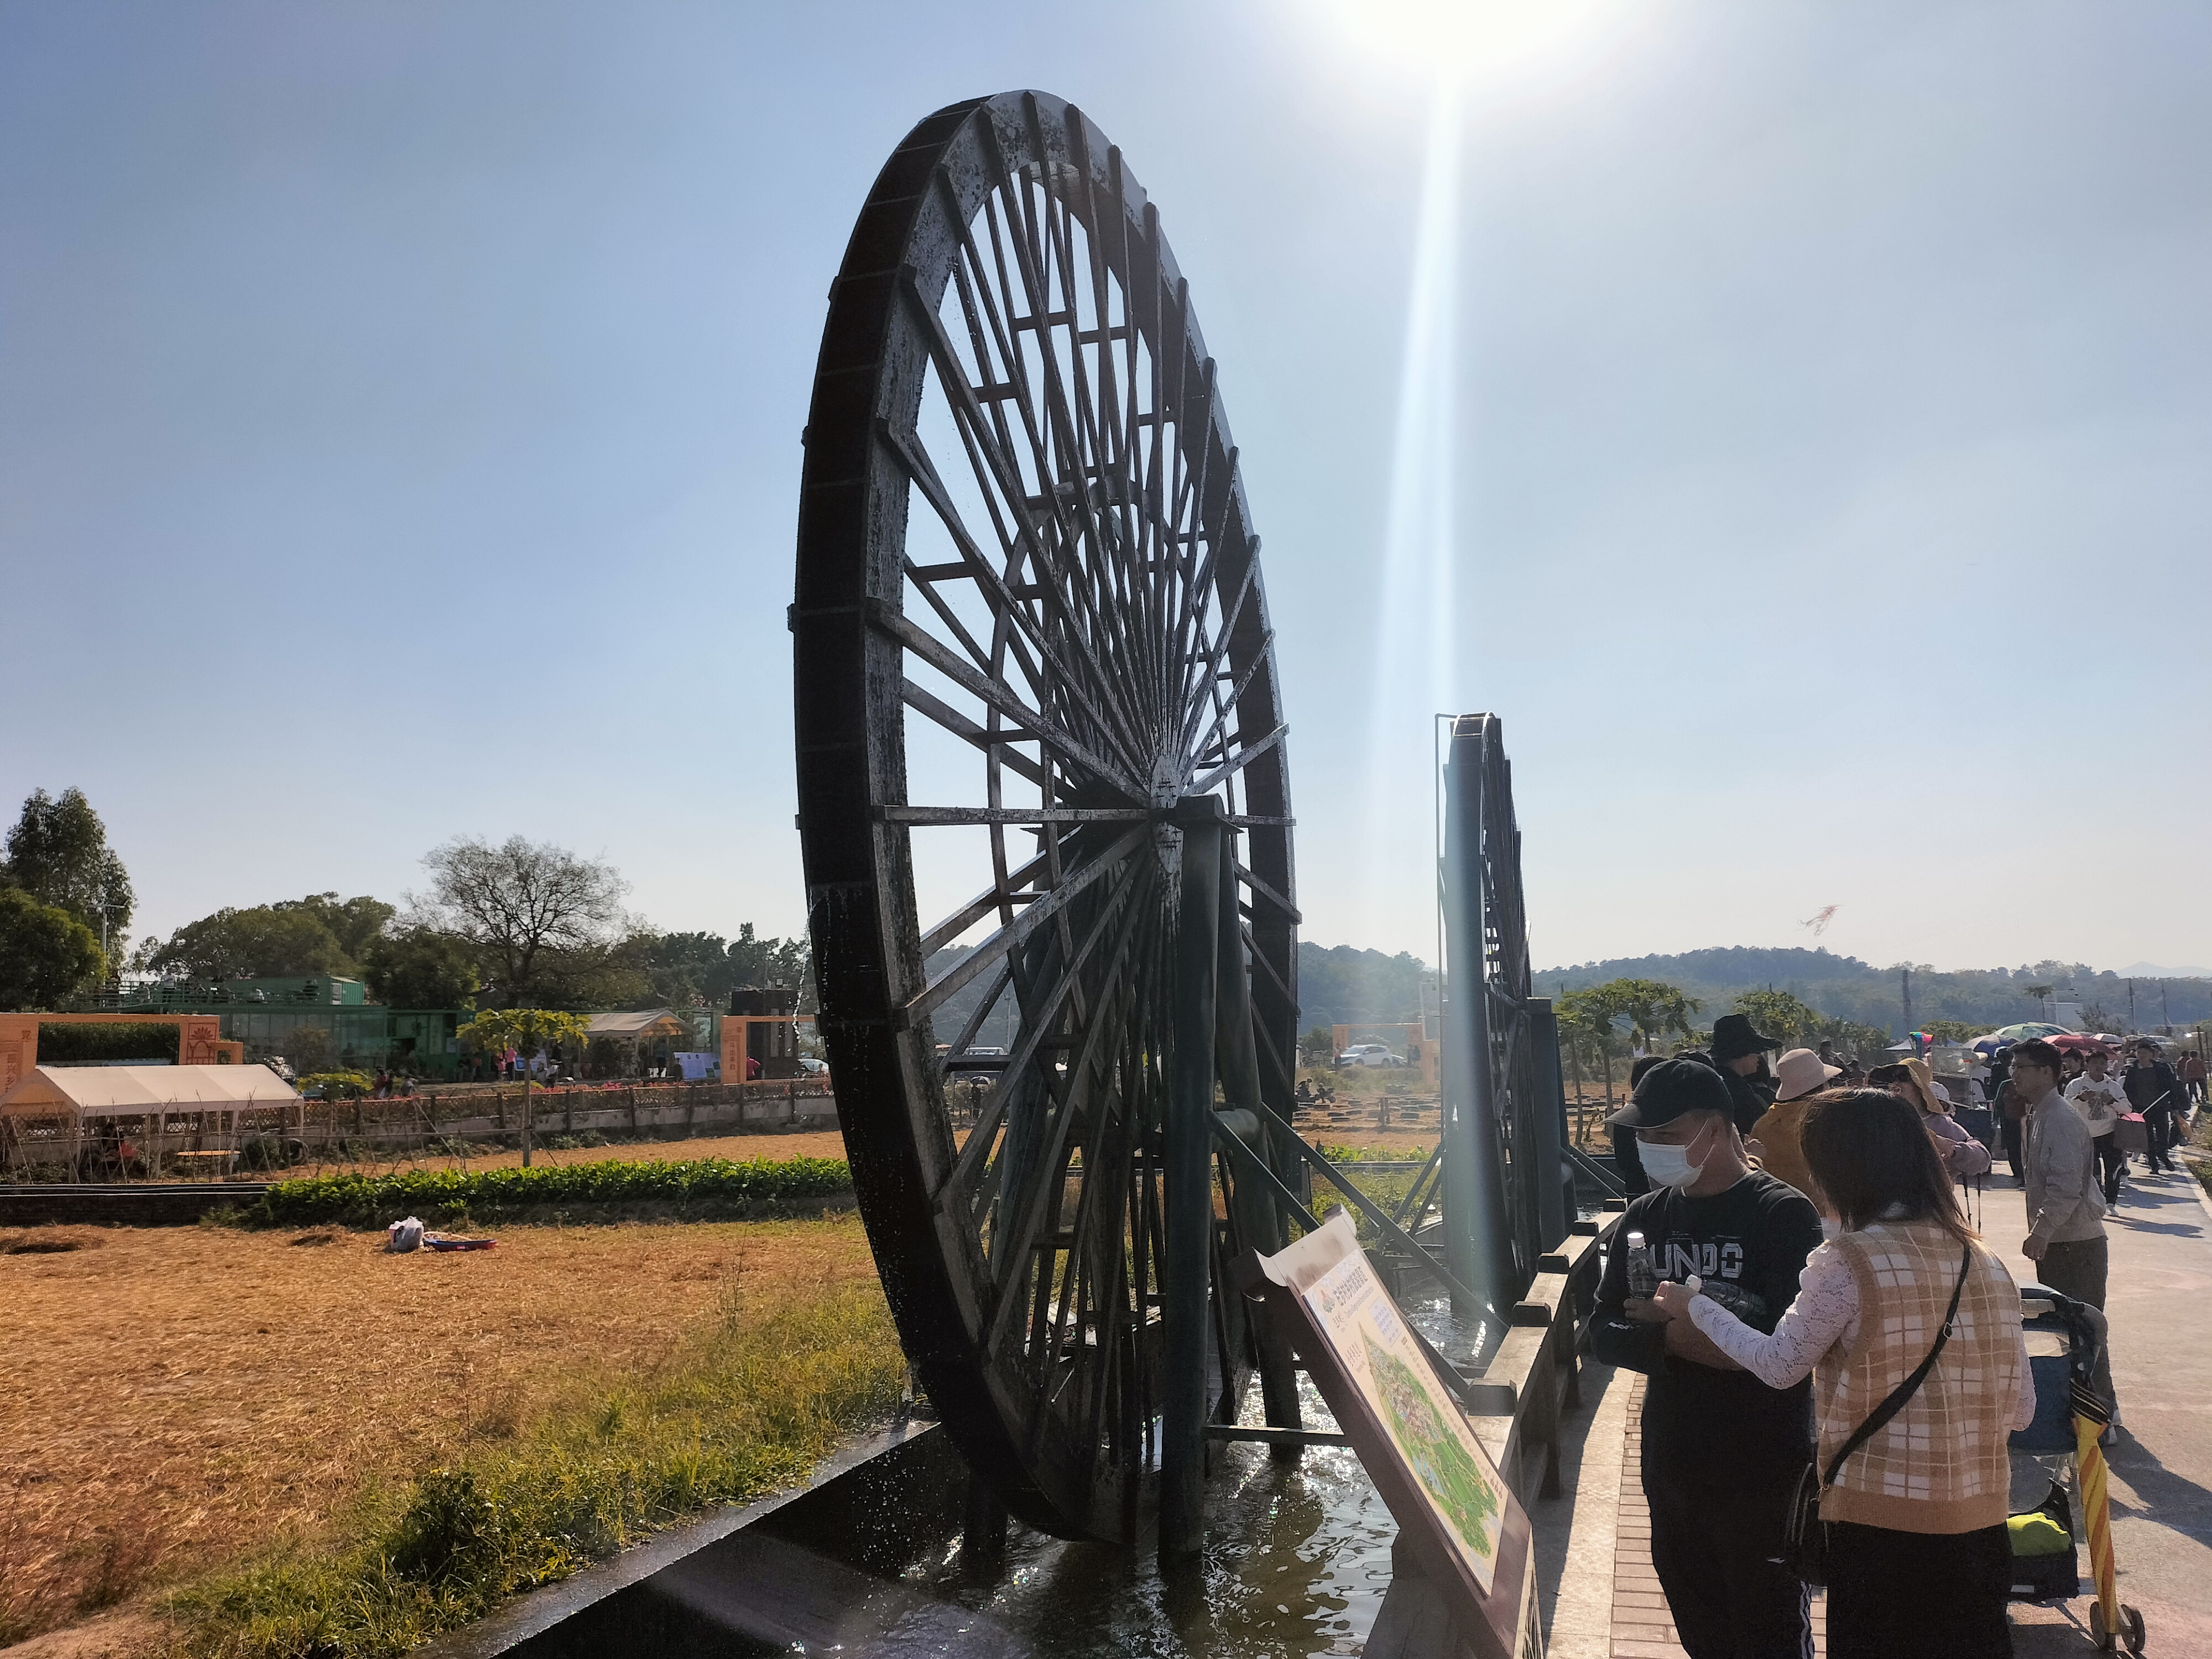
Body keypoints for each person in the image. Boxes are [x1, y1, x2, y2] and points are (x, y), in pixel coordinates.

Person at [1652, 1089, 2033, 1659]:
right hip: (1980, 1521)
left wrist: (1697, 1308)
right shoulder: (1984, 1259)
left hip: (1879, 1524)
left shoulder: (1847, 1261)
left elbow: (1780, 1366)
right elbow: (2021, 1408)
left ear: (1839, 1170)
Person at [1594, 1059, 1824, 1659]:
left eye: (1667, 1134)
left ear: (1717, 1129)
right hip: (1672, 1465)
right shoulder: (1645, 1217)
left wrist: (1673, 1329)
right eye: (1643, 1136)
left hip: (1762, 1469)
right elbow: (1601, 1328)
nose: (1652, 1148)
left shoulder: (1781, 1214)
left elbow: (1786, 1350)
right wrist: (1685, 1341)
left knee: (1769, 1630)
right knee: (1702, 1629)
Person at [2013, 1037, 2115, 1414]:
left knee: (2083, 1331)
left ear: (2047, 1072)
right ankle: (2089, 1409)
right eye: (2013, 1068)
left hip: (2076, 1244)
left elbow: (2066, 1185)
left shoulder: (2059, 1117)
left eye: (2022, 1067)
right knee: (2070, 1332)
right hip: (2063, 1242)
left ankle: (2099, 1414)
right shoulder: (2041, 1113)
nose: (2014, 1075)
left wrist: (2042, 1231)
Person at [1746, 1046, 1840, 1200]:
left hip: (1779, 1210)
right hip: (1828, 1212)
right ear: (1821, 1087)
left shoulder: (1764, 1124)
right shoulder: (1827, 1120)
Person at [1881, 1058, 1992, 1185]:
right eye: (1892, 1078)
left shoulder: (1940, 1124)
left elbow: (1983, 1160)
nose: (1895, 1083)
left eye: (1903, 1077)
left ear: (1919, 1087)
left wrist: (1952, 1149)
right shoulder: (1881, 1121)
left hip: (1930, 1202)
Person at [2063, 1046, 2129, 1206]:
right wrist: (2080, 1099)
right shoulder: (2075, 1085)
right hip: (2085, 1133)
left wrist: (2112, 1101)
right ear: (2087, 1065)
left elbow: (2128, 1109)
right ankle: (2097, 1200)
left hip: (2109, 1132)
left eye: (2102, 1063)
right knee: (2092, 1171)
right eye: (2094, 1063)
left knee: (2113, 1168)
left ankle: (2111, 1202)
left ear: (2107, 1065)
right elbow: (2065, 1107)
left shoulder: (2113, 1086)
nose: (2099, 1067)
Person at [1709, 1013, 1784, 1136]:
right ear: (1743, 1053)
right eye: (1755, 1050)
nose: (1758, 1057)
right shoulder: (1738, 1091)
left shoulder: (1715, 1082)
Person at [2124, 1039, 2183, 1175]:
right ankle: (2153, 1163)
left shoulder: (2161, 1069)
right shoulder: (2132, 1070)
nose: (2141, 1056)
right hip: (2142, 1110)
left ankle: (2163, 1155)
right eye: (2139, 1053)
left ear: (2151, 1054)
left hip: (2160, 1107)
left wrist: (2175, 1107)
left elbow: (2171, 1088)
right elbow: (2127, 1090)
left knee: (2163, 1135)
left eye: (2144, 1053)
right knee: (2147, 1137)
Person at [1609, 1053, 1665, 1197]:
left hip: (1635, 1191)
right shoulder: (1672, 1116)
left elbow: (1624, 1161)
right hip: (1666, 1193)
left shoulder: (1623, 1118)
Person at [2181, 1046, 2207, 1110]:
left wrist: (2187, 1077)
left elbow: (2187, 1070)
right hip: (2200, 1076)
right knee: (2203, 1088)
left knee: (2193, 1088)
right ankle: (2203, 1097)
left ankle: (2195, 1098)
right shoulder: (2200, 1061)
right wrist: (2205, 1075)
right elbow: (2204, 1069)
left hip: (2192, 1077)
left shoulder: (2189, 1062)